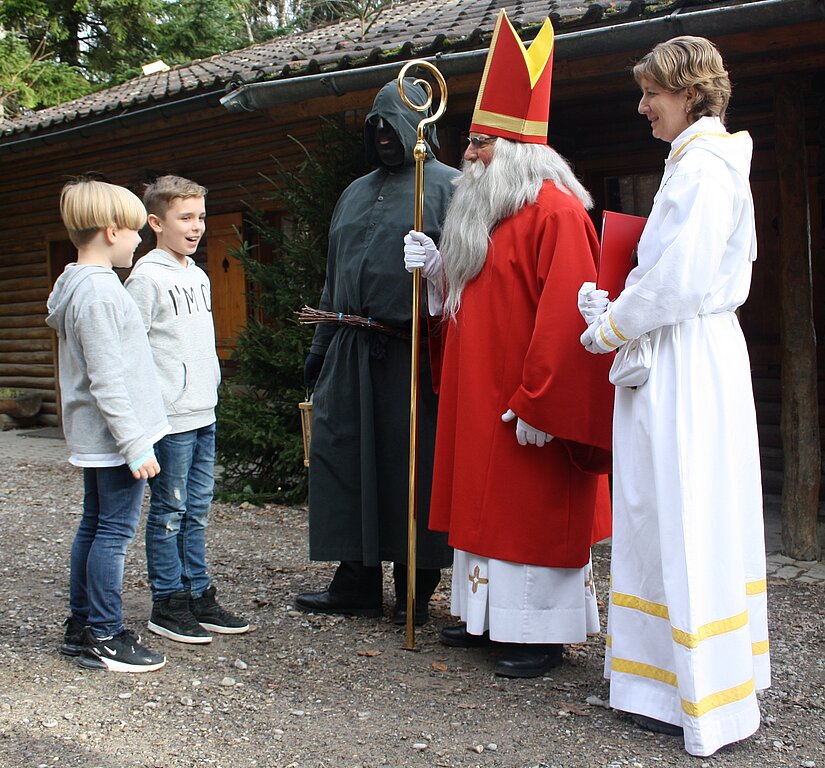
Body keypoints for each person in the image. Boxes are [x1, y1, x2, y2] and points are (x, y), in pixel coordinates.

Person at [404, 9, 614, 678]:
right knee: (482, 509)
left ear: (520, 150)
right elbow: (474, 306)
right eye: (468, 142)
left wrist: (538, 403)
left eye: (481, 143)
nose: (467, 155)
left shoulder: (556, 213)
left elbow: (567, 319)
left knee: (527, 512)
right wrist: (437, 276)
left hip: (525, 406)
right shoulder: (484, 216)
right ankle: (482, 617)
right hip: (479, 396)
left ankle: (537, 633)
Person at [579, 36, 769, 756]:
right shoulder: (700, 164)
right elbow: (669, 270)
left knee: (681, 511)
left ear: (688, 92)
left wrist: (609, 327)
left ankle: (692, 693)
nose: (641, 106)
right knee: (668, 512)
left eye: (650, 93)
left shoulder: (702, 170)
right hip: (690, 349)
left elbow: (680, 279)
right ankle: (665, 681)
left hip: (684, 358)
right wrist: (619, 300)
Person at [294, 79, 459, 624]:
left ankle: (417, 583)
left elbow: (469, 278)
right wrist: (320, 348)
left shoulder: (450, 188)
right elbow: (332, 276)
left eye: (393, 124)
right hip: (348, 347)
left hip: (411, 351)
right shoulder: (354, 192)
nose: (383, 135)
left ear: (419, 126)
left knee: (411, 466)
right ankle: (355, 581)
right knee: (344, 460)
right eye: (375, 126)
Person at [48, 178, 169, 672]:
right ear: (110, 229)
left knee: (95, 526)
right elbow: (107, 379)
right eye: (134, 232)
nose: (139, 241)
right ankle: (104, 632)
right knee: (113, 533)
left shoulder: (77, 282)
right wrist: (135, 444)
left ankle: (82, 627)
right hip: (117, 439)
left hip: (105, 437)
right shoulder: (98, 294)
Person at [125, 175, 249, 644]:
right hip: (171, 418)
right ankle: (167, 602)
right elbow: (132, 352)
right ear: (156, 222)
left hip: (204, 411)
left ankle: (198, 593)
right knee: (169, 511)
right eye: (185, 218)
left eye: (200, 217)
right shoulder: (146, 278)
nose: (196, 227)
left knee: (196, 509)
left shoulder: (198, 274)